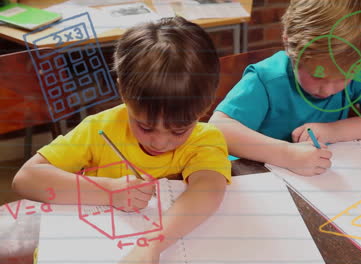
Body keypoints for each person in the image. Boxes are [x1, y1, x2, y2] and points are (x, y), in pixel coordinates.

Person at [13, 17, 231, 263]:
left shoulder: (206, 139)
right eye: (145, 126)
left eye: (179, 130)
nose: (159, 142)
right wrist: (109, 191)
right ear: (123, 91)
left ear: (206, 106)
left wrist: (150, 246)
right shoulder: (99, 128)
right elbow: (26, 180)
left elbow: (209, 190)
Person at [209, 0, 361, 176]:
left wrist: (335, 131)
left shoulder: (354, 69)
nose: (329, 89)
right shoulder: (267, 79)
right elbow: (219, 129)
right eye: (317, 75)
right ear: (289, 45)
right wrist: (287, 154)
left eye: (343, 78)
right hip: (258, 182)